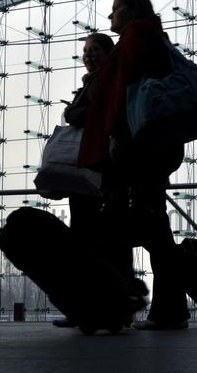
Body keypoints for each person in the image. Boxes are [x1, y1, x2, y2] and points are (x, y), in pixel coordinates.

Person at [79, 0, 189, 330]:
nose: (110, 17)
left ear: (132, 10)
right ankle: (144, 305)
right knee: (145, 227)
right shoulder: (150, 37)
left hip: (135, 153)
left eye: (115, 9)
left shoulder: (137, 36)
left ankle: (135, 303)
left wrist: (115, 135)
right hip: (148, 150)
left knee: (139, 228)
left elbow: (123, 91)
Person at [52, 32, 135, 328]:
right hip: (97, 167)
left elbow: (97, 114)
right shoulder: (97, 80)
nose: (89, 55)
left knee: (95, 236)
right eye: (86, 51)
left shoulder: (106, 79)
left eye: (95, 49)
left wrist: (72, 112)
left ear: (108, 52)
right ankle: (107, 307)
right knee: (104, 237)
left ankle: (102, 307)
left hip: (100, 168)